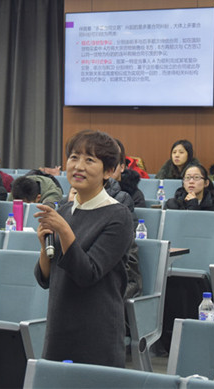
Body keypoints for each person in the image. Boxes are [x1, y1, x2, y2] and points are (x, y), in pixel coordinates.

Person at [33, 130, 134, 367]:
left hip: (97, 329)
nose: (78, 166)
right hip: (60, 323)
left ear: (108, 171)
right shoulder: (64, 211)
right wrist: (44, 246)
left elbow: (88, 273)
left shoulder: (118, 216)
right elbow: (45, 279)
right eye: (74, 157)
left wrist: (64, 230)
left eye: (89, 160)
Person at [114, 139, 146, 208]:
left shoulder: (134, 195)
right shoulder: (94, 191)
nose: (107, 169)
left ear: (122, 167)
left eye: (112, 164)